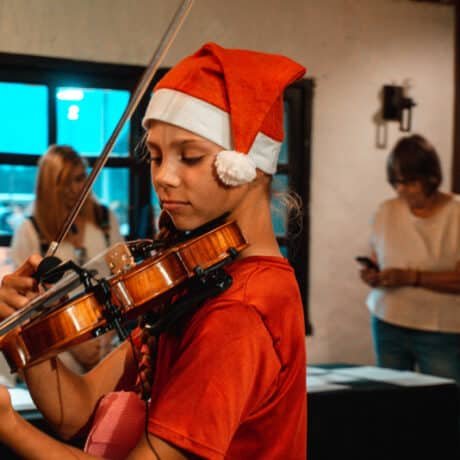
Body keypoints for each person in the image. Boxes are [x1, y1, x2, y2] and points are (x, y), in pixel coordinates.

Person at [0, 42, 307, 459]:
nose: (163, 177)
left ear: (246, 166)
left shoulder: (240, 310)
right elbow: (77, 410)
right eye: (156, 156)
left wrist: (8, 424)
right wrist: (32, 329)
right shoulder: (196, 282)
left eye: (190, 157)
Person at [10, 144, 124, 375]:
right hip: (61, 347)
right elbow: (29, 307)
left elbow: (121, 276)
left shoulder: (105, 218)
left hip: (108, 337)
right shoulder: (30, 231)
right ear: (49, 186)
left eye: (80, 178)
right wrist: (76, 344)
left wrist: (107, 333)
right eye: (66, 182)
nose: (76, 189)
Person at [360, 134, 460, 383]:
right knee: (392, 398)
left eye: (409, 182)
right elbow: (378, 257)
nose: (401, 189)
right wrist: (373, 274)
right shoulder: (386, 210)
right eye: (396, 182)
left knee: (441, 400)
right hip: (389, 321)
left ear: (430, 177)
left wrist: (411, 278)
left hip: (441, 330)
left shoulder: (456, 213)